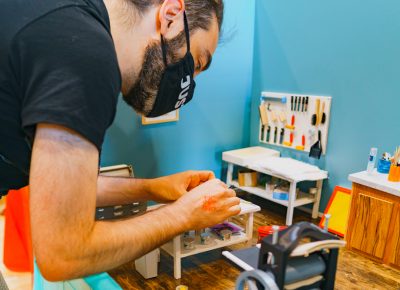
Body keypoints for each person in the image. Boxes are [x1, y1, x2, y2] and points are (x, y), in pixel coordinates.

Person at [0, 0, 241, 282]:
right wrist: (183, 216)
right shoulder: (85, 53)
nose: (189, 81)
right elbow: (63, 253)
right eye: (196, 62)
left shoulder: (67, 22)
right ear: (171, 15)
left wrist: (154, 188)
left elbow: (62, 187)